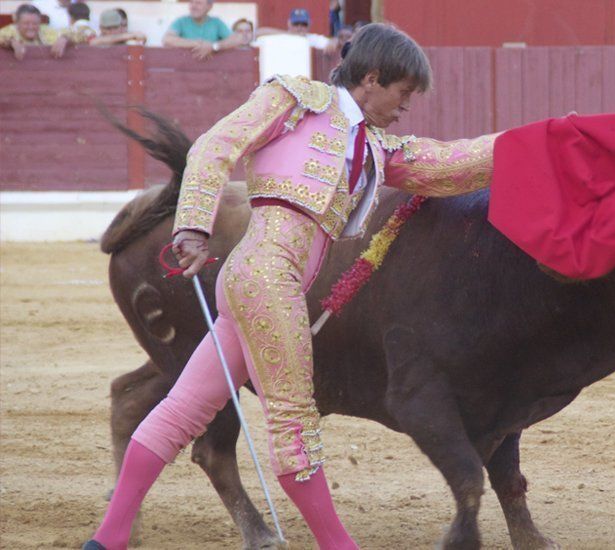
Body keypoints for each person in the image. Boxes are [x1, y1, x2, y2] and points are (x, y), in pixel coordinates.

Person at [81, 22, 498, 550]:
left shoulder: (374, 147)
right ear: (372, 77)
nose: (408, 105)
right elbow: (215, 145)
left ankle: (107, 539)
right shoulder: (297, 100)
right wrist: (193, 223)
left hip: (254, 282)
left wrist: (550, 140)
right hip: (269, 277)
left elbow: (454, 164)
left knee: (182, 410)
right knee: (294, 424)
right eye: (405, 92)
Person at [162, 0, 247, 60]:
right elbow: (167, 39)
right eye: (191, 2)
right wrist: (198, 43)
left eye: (198, 3)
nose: (193, 6)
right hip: (183, 72)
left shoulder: (216, 22)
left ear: (209, 6)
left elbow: (237, 39)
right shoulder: (181, 21)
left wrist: (213, 46)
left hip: (213, 72)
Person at [0, 3, 70, 60]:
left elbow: (78, 32)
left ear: (40, 23)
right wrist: (11, 42)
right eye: (26, 23)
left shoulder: (46, 31)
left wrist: (64, 38)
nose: (31, 27)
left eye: (35, 23)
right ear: (17, 23)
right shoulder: (9, 31)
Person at [256, 8, 332, 50]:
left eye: (303, 24)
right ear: (289, 24)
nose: (299, 27)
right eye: (296, 24)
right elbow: (258, 32)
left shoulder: (313, 39)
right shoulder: (281, 37)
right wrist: (291, 34)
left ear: (309, 25)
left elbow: (332, 44)